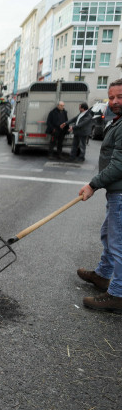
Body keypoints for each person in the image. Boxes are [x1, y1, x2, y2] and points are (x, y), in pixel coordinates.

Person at [77, 79, 122, 312]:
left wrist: (93, 185)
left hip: (121, 194)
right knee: (108, 234)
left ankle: (118, 294)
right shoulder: (118, 121)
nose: (114, 101)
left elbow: (119, 165)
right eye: (111, 97)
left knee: (118, 243)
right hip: (116, 193)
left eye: (120, 97)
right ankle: (103, 275)